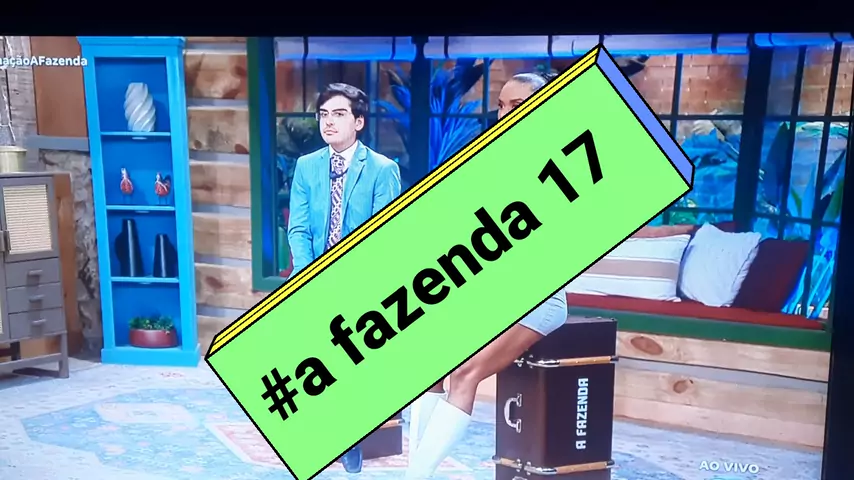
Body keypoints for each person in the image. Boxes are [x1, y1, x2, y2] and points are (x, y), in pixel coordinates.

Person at [405, 71, 566, 479]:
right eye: (500, 105)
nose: (504, 113)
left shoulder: (561, 162)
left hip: (540, 298)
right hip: (494, 292)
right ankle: (414, 470)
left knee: (465, 373)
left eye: (516, 105)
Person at [286, 82, 402, 473]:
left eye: (338, 114)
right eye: (323, 115)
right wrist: (308, 276)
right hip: (313, 276)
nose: (329, 122)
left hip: (360, 280)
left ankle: (350, 436)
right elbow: (298, 227)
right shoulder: (307, 166)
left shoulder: (382, 170)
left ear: (359, 122)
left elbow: (384, 237)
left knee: (352, 360)